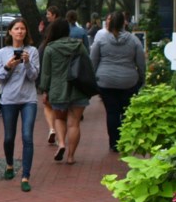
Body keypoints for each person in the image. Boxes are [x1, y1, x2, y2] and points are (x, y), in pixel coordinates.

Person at [40, 19, 94, 165]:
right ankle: (71, 156)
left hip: (57, 90)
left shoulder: (50, 48)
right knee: (74, 123)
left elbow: (46, 73)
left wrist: (44, 90)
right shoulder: (79, 45)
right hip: (78, 88)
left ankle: (62, 143)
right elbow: (88, 64)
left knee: (59, 119)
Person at [0, 19, 40, 191]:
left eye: (23, 28)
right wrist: (8, 66)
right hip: (9, 100)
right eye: (16, 28)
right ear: (10, 32)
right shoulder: (2, 52)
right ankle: (9, 165)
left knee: (27, 137)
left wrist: (27, 62)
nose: (20, 31)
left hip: (28, 99)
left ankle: (25, 176)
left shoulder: (32, 51)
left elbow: (34, 76)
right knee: (8, 137)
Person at [91, 11, 145, 151]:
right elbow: (141, 62)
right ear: (124, 23)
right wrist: (141, 77)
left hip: (105, 81)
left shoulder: (101, 40)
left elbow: (93, 60)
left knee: (112, 112)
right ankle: (125, 139)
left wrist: (94, 78)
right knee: (126, 111)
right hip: (128, 81)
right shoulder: (134, 41)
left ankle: (114, 143)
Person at [38, 6, 62, 145]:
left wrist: (43, 86)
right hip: (63, 82)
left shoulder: (45, 47)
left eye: (48, 14)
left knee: (48, 106)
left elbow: (43, 68)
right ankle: (61, 139)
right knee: (61, 111)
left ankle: (52, 129)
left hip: (49, 82)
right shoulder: (70, 46)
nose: (47, 16)